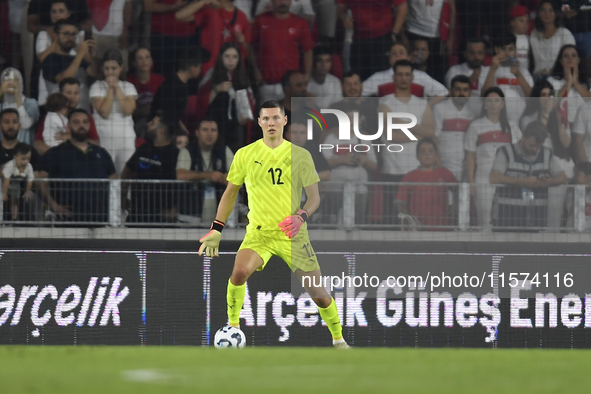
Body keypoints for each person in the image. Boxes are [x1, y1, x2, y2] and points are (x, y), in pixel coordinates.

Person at [197, 100, 349, 349]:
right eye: (266, 119)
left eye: (276, 118)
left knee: (320, 296)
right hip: (259, 234)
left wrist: (301, 217)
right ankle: (233, 327)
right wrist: (216, 228)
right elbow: (230, 193)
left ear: (284, 121)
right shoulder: (245, 154)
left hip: (293, 235)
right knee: (239, 272)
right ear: (259, 122)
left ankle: (339, 340)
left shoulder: (300, 156)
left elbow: (314, 198)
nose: (271, 123)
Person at [377, 59, 435, 223]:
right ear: (394, 77)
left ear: (412, 77)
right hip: (392, 170)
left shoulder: (423, 104)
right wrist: (420, 133)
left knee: (419, 217)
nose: (403, 78)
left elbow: (430, 131)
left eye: (407, 74)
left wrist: (399, 123)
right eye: (400, 74)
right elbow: (391, 135)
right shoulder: (384, 103)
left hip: (417, 171)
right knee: (391, 218)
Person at [38, 108, 117, 222]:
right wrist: (54, 205)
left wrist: (113, 212)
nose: (81, 125)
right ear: (68, 127)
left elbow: (114, 181)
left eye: (85, 122)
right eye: (76, 122)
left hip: (100, 219)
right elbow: (39, 181)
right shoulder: (55, 153)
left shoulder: (102, 153)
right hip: (68, 221)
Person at [490, 120, 567, 229]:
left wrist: (550, 182)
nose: (535, 149)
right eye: (532, 145)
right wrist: (524, 181)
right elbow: (494, 178)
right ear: (524, 137)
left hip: (537, 222)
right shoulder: (505, 151)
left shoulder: (546, 153)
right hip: (506, 219)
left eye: (538, 146)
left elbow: (563, 177)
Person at [465, 87, 522, 230]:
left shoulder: (512, 127)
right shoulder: (475, 126)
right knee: (485, 221)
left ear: (502, 104)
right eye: (489, 100)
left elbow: (519, 154)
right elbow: (470, 155)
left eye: (497, 100)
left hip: (507, 177)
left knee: (507, 218)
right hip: (483, 177)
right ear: (484, 104)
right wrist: (471, 181)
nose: (493, 103)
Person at [121, 115, 186, 223]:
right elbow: (126, 172)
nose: (148, 124)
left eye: (153, 123)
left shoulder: (175, 154)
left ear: (160, 131)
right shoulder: (143, 148)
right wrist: (122, 198)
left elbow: (182, 184)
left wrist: (176, 208)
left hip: (162, 216)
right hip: (138, 213)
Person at [250, 0, 315, 102]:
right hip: (267, 84)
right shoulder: (261, 20)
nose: (283, 2)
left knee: (293, 117)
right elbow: (251, 47)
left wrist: (307, 75)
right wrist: (255, 71)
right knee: (268, 117)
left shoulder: (300, 23)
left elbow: (308, 50)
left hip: (292, 86)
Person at [196, 42, 254, 153]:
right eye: (227, 56)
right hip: (215, 126)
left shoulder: (242, 76)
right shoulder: (212, 74)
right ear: (221, 57)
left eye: (234, 57)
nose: (231, 60)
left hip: (236, 128)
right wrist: (216, 89)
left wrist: (245, 117)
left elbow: (250, 101)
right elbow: (201, 100)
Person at [90, 48, 138, 175]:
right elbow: (104, 112)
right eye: (107, 68)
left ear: (121, 68)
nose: (110, 72)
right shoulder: (97, 86)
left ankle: (125, 196)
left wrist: (118, 88)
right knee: (106, 174)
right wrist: (111, 90)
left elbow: (128, 110)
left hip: (126, 140)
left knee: (126, 175)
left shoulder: (128, 86)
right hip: (104, 138)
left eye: (114, 68)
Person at [177, 118, 234, 222]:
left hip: (220, 220)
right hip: (190, 218)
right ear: (197, 133)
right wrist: (208, 175)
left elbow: (240, 173)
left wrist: (229, 178)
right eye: (205, 130)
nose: (209, 134)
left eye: (213, 130)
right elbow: (180, 175)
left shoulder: (224, 150)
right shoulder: (188, 150)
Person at [395, 138, 458, 230]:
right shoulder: (410, 176)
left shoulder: (445, 174)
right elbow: (399, 203)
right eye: (423, 151)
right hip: (419, 228)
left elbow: (461, 191)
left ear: (436, 155)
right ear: (417, 156)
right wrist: (412, 220)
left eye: (431, 151)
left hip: (444, 228)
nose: (427, 154)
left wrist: (457, 204)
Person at [175, 0, 251, 75]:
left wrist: (243, 41)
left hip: (232, 72)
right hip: (209, 70)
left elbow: (249, 49)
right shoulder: (210, 10)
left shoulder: (242, 16)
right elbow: (179, 16)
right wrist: (203, 2)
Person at [337, 0, 408, 81]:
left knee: (382, 78)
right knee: (358, 78)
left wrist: (394, 33)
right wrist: (344, 17)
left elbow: (402, 6)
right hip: (358, 40)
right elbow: (340, 7)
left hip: (383, 38)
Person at [34, 77, 101, 155]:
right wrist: (60, 156)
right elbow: (38, 145)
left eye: (76, 93)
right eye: (69, 93)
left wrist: (73, 139)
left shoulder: (86, 117)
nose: (72, 97)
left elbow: (96, 143)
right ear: (60, 94)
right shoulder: (49, 118)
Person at [41, 18, 97, 111]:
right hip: (59, 113)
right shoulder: (49, 59)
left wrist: (92, 54)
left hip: (82, 113)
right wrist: (80, 53)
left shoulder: (78, 59)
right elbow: (63, 79)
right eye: (66, 34)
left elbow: (95, 73)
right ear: (56, 35)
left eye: (73, 34)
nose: (70, 37)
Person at [151, 48, 210, 133]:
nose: (201, 70)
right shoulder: (171, 85)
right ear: (192, 68)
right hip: (161, 131)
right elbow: (161, 113)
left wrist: (183, 129)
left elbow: (174, 114)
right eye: (199, 67)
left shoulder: (182, 85)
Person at [35, 0, 82, 106]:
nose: (57, 15)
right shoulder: (43, 35)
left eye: (61, 11)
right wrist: (57, 40)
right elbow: (42, 59)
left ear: (69, 13)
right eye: (54, 12)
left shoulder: (78, 34)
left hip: (75, 92)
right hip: (49, 89)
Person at [433, 75, 479, 182]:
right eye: (458, 89)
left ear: (470, 93)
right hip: (443, 167)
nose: (461, 93)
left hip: (465, 170)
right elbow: (433, 140)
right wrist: (440, 168)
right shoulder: (439, 109)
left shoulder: (473, 113)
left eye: (465, 90)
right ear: (451, 91)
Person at [361, 42, 448, 99]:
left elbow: (443, 92)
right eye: (394, 54)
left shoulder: (421, 76)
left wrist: (427, 107)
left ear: (408, 57)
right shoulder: (379, 77)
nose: (398, 56)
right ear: (389, 58)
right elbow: (359, 93)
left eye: (401, 53)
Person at [481, 35, 533, 124]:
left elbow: (533, 100)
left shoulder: (524, 72)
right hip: (494, 122)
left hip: (519, 124)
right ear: (496, 50)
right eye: (503, 49)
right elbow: (483, 97)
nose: (507, 53)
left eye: (511, 49)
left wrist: (518, 75)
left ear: (515, 50)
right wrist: (492, 69)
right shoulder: (486, 71)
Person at [405, 0, 455, 82]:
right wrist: (402, 36)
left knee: (437, 72)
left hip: (437, 35)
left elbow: (452, 10)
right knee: (413, 67)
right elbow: (401, 7)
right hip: (413, 32)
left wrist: (451, 38)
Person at [144, 0, 200, 74]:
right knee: (162, 73)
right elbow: (148, 6)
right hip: (162, 37)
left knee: (189, 75)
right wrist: (173, 7)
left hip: (189, 35)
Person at [547, 44, 591, 127]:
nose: (570, 58)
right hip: (560, 126)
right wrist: (569, 83)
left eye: (573, 55)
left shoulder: (587, 82)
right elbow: (552, 103)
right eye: (566, 56)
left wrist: (576, 83)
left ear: (578, 60)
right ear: (561, 61)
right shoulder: (552, 81)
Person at [127, 47, 165, 139]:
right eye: (140, 58)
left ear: (152, 61)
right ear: (134, 63)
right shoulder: (128, 82)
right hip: (137, 121)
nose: (144, 61)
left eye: (147, 57)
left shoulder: (161, 80)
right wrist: (140, 112)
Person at [530, 1, 575, 78]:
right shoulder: (534, 35)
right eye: (543, 10)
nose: (547, 13)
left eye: (551, 10)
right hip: (537, 78)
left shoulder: (565, 34)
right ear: (539, 14)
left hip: (559, 78)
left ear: (556, 13)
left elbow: (571, 60)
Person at [0, 68, 40, 145]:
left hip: (24, 150)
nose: (10, 83)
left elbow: (26, 125)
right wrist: (1, 92)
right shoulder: (1, 104)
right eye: (7, 80)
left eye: (14, 79)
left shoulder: (31, 103)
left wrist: (17, 98)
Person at [2, 143, 34, 221]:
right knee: (2, 202)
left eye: (28, 159)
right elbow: (6, 180)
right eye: (23, 159)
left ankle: (14, 219)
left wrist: (27, 192)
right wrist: (4, 193)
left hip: (15, 186)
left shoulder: (29, 166)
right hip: (3, 185)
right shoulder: (9, 165)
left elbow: (30, 180)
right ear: (15, 157)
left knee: (14, 202)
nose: (26, 162)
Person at [307, 45, 343, 109]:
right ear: (314, 62)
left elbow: (338, 107)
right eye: (320, 61)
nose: (324, 65)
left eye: (327, 61)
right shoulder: (306, 82)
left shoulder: (335, 82)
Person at [565, 161, 591, 230]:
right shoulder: (571, 190)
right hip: (572, 231)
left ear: (588, 177)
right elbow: (572, 209)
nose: (573, 177)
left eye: (577, 175)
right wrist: (584, 190)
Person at [510, 5, 531, 73]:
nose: (525, 24)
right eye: (521, 21)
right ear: (512, 22)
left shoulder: (529, 39)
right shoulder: (508, 39)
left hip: (525, 74)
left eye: (527, 21)